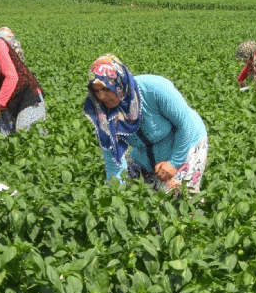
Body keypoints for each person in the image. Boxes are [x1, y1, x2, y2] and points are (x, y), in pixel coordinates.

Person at [84, 54, 208, 194]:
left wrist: (174, 163)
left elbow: (185, 124)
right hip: (145, 156)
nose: (101, 97)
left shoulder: (154, 88)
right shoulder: (103, 113)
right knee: (133, 193)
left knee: (177, 200)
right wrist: (117, 194)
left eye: (106, 89)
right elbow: (113, 159)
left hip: (186, 143)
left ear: (119, 83)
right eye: (96, 91)